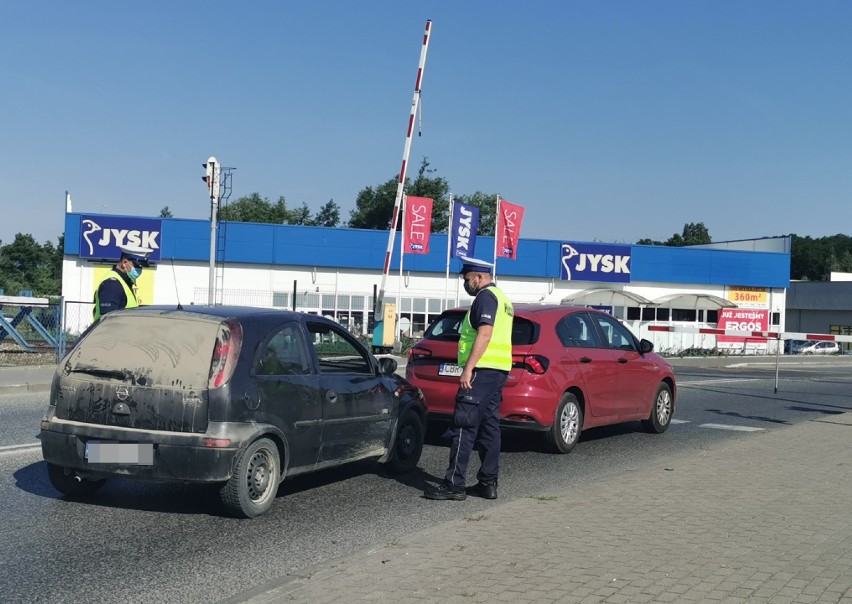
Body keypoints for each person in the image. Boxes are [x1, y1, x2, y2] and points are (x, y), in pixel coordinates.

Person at [424, 257, 514, 501]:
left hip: (481, 371)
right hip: (497, 371)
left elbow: (484, 333)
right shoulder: (503, 299)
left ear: (479, 277)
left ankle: (454, 484)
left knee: (464, 424)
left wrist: (468, 368)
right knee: (489, 427)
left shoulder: (486, 297)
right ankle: (487, 482)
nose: (466, 284)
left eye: (467, 279)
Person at [92, 244, 152, 321]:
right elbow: (107, 321)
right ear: (125, 263)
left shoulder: (124, 282)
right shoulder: (112, 285)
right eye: (137, 266)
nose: (140, 270)